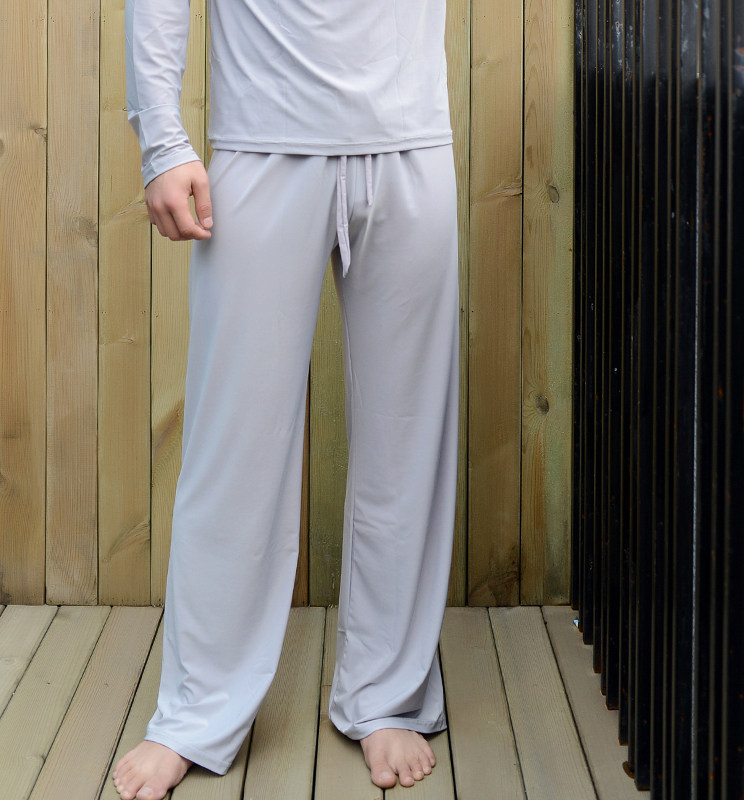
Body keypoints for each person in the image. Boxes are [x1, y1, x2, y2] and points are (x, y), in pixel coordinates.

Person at [112, 0, 460, 797]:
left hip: (410, 134)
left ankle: (387, 694)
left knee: (409, 441)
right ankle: (197, 710)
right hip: (263, 137)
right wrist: (162, 140)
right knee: (234, 450)